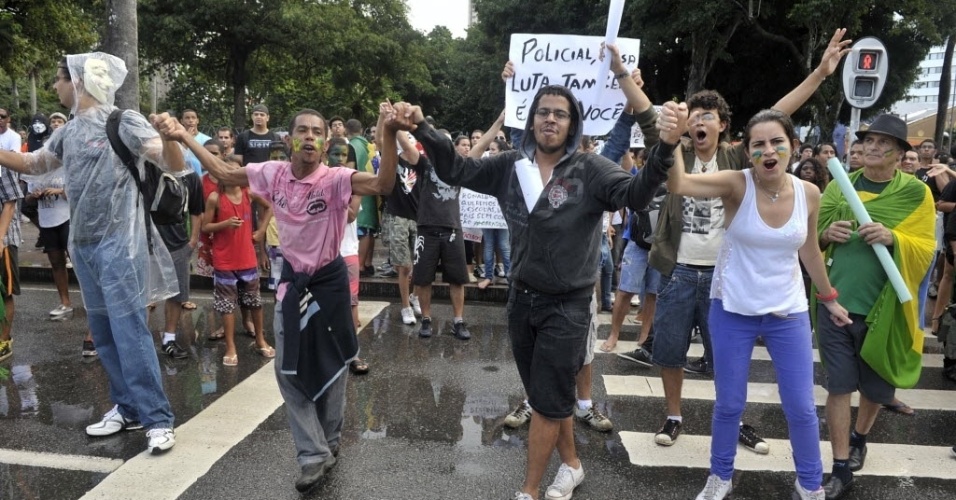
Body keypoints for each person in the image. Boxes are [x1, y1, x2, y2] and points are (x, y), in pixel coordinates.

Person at [393, 42, 670, 500]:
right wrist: (423, 125)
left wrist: (660, 136)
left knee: (547, 399)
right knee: (548, 395)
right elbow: (458, 168)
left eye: (560, 113)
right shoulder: (509, 165)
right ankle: (574, 465)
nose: (550, 119)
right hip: (521, 301)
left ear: (572, 123)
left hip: (569, 305)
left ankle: (529, 490)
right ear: (532, 117)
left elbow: (639, 193)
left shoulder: (592, 169)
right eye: (543, 111)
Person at [616, 29, 850, 456]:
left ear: (723, 127)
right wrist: (621, 75)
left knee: (728, 359)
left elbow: (776, 116)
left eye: (709, 116)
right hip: (678, 270)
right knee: (669, 350)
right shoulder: (676, 152)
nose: (700, 122)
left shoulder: (737, 160)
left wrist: (819, 74)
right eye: (695, 116)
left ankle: (738, 419)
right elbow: (650, 115)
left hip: (726, 280)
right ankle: (674, 415)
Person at [166, 104, 399, 493]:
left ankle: (330, 440)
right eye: (302, 130)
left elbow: (383, 186)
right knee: (287, 370)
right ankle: (312, 454)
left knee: (337, 362)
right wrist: (182, 135)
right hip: (292, 286)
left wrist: (387, 133)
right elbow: (222, 172)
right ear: (289, 140)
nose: (309, 136)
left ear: (325, 144)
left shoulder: (337, 179)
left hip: (331, 286)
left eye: (316, 131)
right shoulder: (271, 173)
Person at [660, 103, 852, 500]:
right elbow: (678, 184)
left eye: (777, 142)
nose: (769, 151)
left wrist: (829, 298)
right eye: (759, 144)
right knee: (730, 404)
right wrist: (674, 137)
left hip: (789, 313)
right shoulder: (736, 184)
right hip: (733, 309)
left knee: (800, 407)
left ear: (794, 147)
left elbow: (810, 251)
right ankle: (720, 476)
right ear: (747, 151)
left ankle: (810, 483)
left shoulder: (810, 193)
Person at [0, 52, 184, 453]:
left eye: (59, 79)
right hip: (84, 247)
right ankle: (127, 407)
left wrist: (172, 136)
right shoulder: (69, 131)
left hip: (123, 246)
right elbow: (34, 163)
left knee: (130, 331)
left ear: (79, 81)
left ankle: (157, 417)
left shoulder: (124, 120)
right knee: (103, 334)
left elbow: (172, 163)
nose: (54, 86)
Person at [815, 114, 936, 499]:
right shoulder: (840, 186)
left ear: (901, 154)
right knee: (838, 386)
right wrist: (824, 234)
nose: (872, 147)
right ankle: (838, 467)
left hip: (884, 311)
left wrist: (893, 238)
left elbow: (926, 249)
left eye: (884, 143)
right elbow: (810, 241)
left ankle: (859, 437)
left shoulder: (917, 194)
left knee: (874, 386)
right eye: (868, 140)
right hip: (835, 302)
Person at [201, 158, 274, 366]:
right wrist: (224, 224)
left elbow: (269, 207)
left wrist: (260, 231)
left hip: (247, 258)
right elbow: (205, 227)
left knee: (255, 302)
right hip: (224, 260)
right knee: (227, 306)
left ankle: (260, 339)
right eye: (230, 171)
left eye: (238, 171)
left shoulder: (248, 193)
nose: (234, 175)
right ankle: (231, 346)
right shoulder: (215, 197)